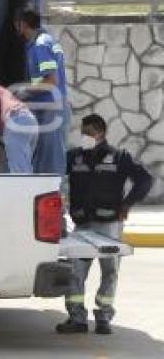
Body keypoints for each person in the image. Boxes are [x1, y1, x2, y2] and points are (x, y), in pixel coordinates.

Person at [57, 114, 153, 335]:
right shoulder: (74, 157)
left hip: (109, 227)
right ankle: (77, 319)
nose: (85, 137)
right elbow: (54, 174)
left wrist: (127, 204)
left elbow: (145, 180)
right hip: (82, 226)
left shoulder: (119, 157)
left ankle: (104, 317)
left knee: (110, 272)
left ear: (102, 133)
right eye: (83, 133)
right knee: (75, 272)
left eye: (89, 133)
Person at [13, 6, 71, 174]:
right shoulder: (42, 41)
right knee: (44, 160)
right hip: (48, 108)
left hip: (51, 110)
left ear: (22, 25)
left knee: (50, 162)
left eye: (16, 24)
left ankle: (56, 196)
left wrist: (22, 91)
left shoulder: (41, 44)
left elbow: (51, 81)